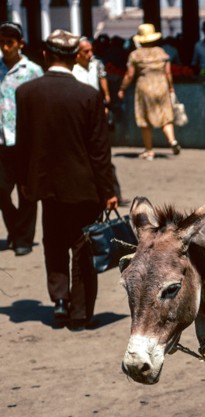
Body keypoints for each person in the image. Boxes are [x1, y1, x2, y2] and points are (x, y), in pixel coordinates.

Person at [16, 29, 118, 330]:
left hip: (44, 185)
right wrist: (108, 190)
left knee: (53, 241)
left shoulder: (26, 93)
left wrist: (24, 181)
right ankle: (80, 313)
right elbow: (100, 151)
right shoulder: (89, 96)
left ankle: (59, 302)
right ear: (76, 58)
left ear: (45, 55)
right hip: (84, 186)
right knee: (82, 246)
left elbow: (23, 143)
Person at [0, 21, 43, 256]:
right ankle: (16, 229)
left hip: (25, 141)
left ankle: (23, 239)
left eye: (10, 42)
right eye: (2, 42)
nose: (5, 47)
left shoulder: (33, 71)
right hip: (1, 141)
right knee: (2, 190)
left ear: (20, 44)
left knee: (27, 192)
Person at [117, 23, 180, 160]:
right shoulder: (162, 53)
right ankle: (172, 140)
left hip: (144, 85)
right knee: (165, 115)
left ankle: (149, 150)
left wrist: (122, 88)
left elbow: (129, 75)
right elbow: (168, 73)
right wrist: (170, 87)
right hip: (161, 85)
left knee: (144, 118)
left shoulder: (135, 55)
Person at [73, 36, 125, 204]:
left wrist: (107, 98)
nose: (90, 54)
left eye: (90, 50)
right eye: (85, 51)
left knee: (103, 157)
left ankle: (113, 193)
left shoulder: (96, 64)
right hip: (79, 116)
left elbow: (102, 79)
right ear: (77, 53)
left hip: (96, 113)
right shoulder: (72, 70)